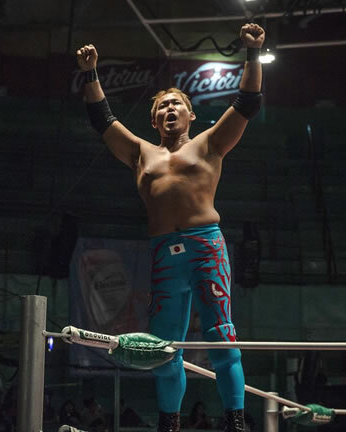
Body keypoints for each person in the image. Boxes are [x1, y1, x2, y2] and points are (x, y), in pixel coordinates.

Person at [76, 23, 266, 432]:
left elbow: (248, 101)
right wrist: (91, 73)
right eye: (162, 107)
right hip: (165, 254)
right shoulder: (140, 153)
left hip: (207, 246)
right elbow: (102, 119)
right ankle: (170, 423)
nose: (169, 110)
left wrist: (252, 54)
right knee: (164, 349)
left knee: (221, 336)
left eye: (176, 104)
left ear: (191, 113)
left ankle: (236, 420)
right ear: (153, 119)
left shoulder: (211, 143)